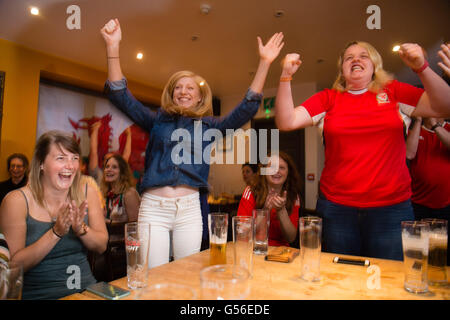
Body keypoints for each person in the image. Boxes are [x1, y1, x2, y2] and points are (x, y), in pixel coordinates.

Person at [100, 18, 284, 268]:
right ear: (172, 93)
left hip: (189, 210)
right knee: (155, 276)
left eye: (190, 88)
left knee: (186, 273)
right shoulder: (156, 121)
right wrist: (113, 45)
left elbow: (246, 109)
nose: (183, 91)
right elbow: (120, 96)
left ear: (199, 98)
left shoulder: (210, 127)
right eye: (178, 87)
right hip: (154, 208)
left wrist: (264, 63)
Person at [275, 41, 450, 260]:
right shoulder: (328, 99)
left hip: (391, 208)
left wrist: (421, 67)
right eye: (349, 57)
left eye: (363, 56)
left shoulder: (394, 91)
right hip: (337, 209)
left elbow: (445, 105)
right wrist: (285, 76)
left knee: (388, 281)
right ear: (342, 69)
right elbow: (286, 121)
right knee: (340, 280)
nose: (356, 59)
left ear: (375, 65)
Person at [0, 130, 108, 299]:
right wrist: (55, 233)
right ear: (41, 163)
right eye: (61, 158)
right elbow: (13, 266)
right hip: (39, 295)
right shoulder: (17, 201)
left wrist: (81, 229)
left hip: (86, 289)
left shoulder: (88, 192)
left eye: (74, 158)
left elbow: (102, 245)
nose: (70, 165)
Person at [406, 116, 449, 264]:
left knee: (442, 255)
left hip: (445, 204)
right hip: (418, 204)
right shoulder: (414, 130)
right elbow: (409, 154)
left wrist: (436, 125)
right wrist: (418, 121)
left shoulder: (447, 128)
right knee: (418, 255)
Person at [237, 152, 301, 246]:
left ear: (288, 172)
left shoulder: (293, 196)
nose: (277, 171)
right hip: (255, 249)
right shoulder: (250, 192)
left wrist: (281, 210)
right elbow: (242, 234)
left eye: (282, 168)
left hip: (281, 253)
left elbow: (291, 238)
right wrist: (264, 211)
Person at [100, 154, 140, 224]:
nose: (109, 170)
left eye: (114, 167)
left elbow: (134, 227)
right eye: (107, 167)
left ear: (122, 172)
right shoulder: (106, 194)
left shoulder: (129, 194)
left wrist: (108, 222)